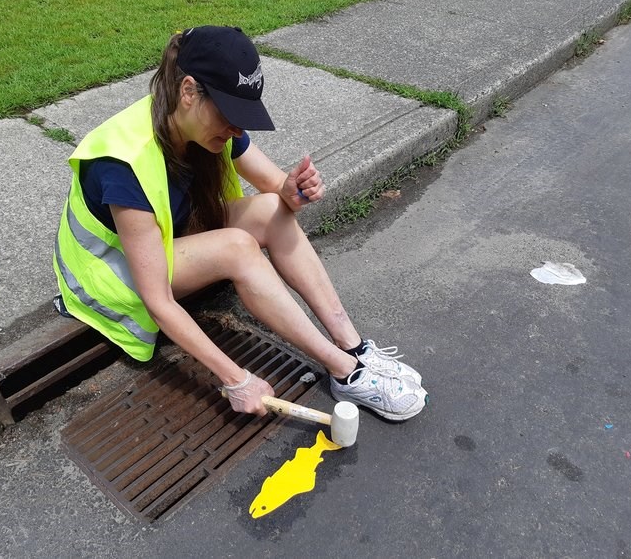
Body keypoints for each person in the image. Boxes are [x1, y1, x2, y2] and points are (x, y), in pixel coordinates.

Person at [53, 25, 428, 420]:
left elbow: (277, 194)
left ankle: (353, 346)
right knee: (238, 247)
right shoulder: (123, 162)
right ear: (188, 92)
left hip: (167, 239)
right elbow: (158, 301)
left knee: (268, 209)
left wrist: (295, 189)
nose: (237, 128)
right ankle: (345, 371)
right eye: (231, 114)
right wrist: (236, 378)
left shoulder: (201, 123)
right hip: (113, 275)